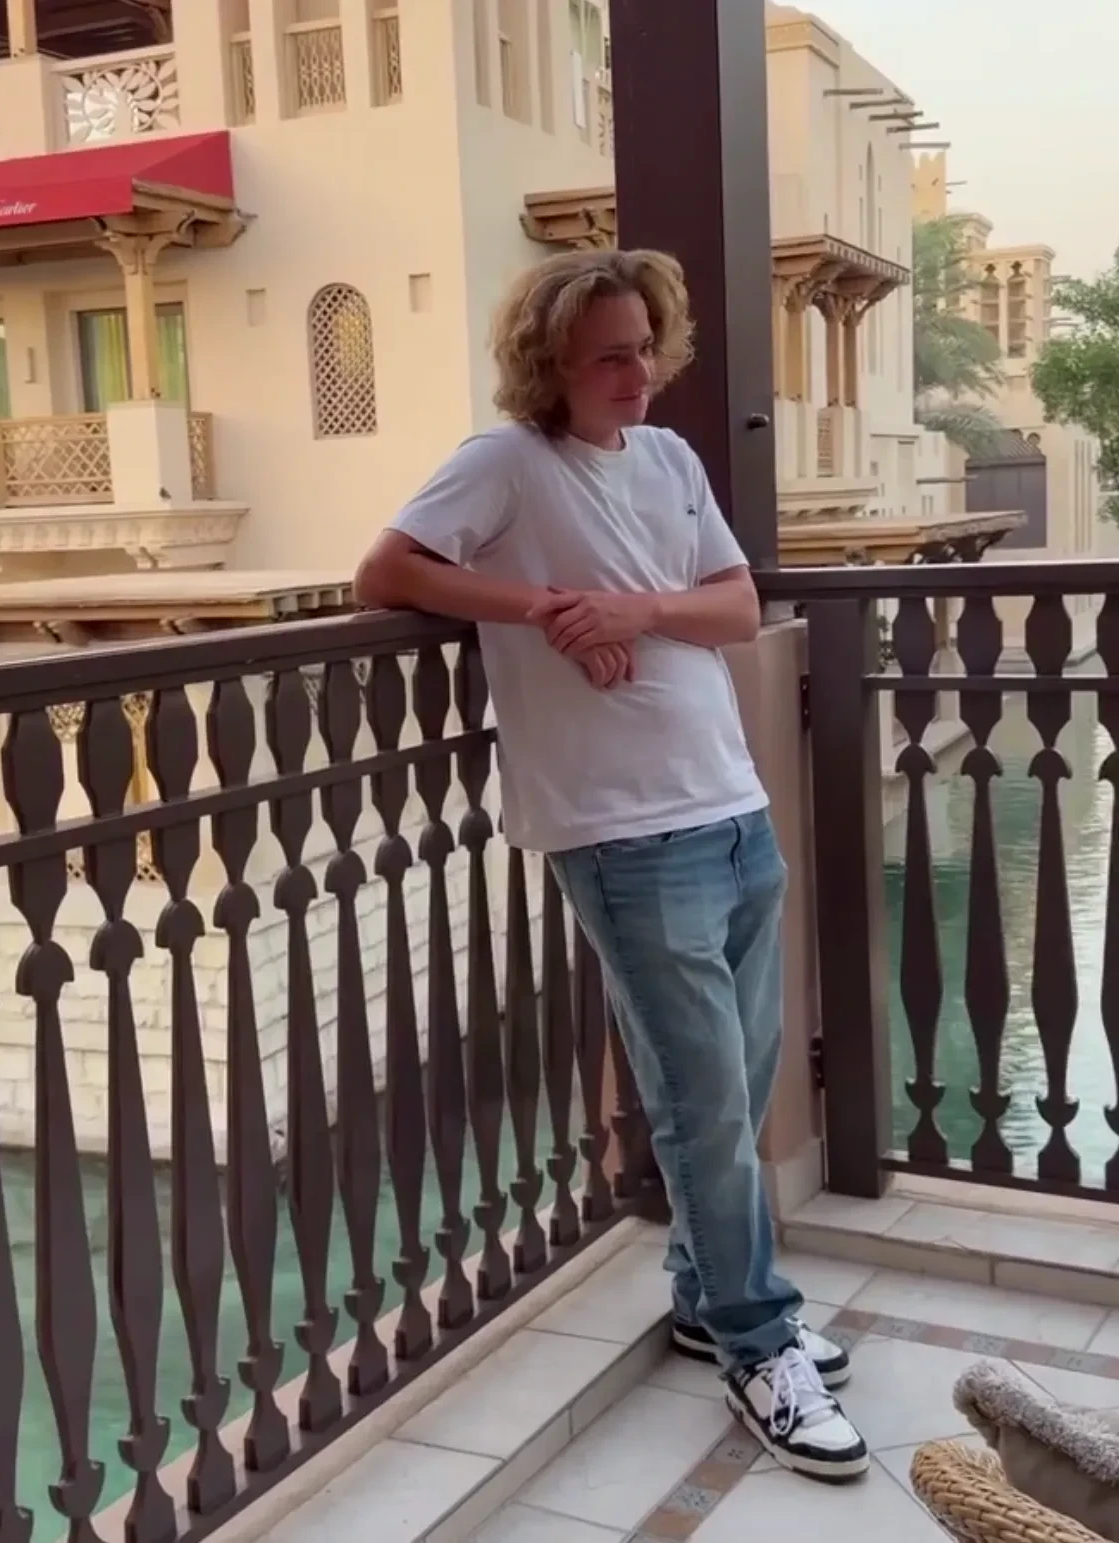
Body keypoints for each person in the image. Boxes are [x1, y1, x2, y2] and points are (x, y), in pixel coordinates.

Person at [354, 248, 868, 1482]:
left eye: (643, 347)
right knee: (704, 1104)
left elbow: (734, 606)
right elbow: (385, 571)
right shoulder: (504, 463)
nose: (635, 373)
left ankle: (703, 1294)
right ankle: (756, 1342)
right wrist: (543, 608)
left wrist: (632, 610)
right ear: (550, 364)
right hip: (622, 834)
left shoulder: (670, 459)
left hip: (731, 807)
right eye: (606, 356)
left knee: (738, 1083)